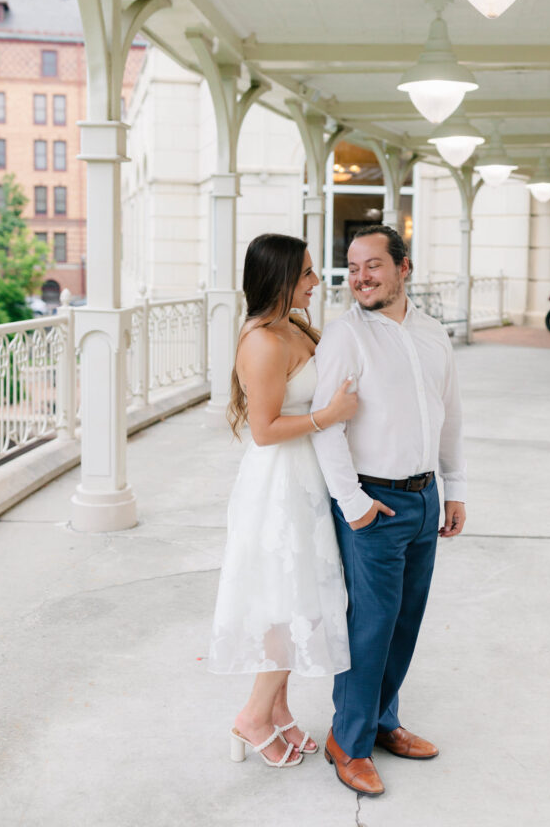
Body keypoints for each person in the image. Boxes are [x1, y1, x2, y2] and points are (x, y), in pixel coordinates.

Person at [311, 225, 466, 796]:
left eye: (373, 265)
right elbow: (328, 429)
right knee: (369, 628)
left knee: (405, 622)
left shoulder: (431, 333)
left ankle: (381, 722)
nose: (361, 278)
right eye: (352, 268)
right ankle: (347, 743)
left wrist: (455, 488)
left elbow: (448, 413)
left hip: (425, 499)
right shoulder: (344, 336)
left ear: (405, 268)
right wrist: (353, 504)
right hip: (373, 502)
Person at [209, 233, 358, 769]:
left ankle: (278, 709)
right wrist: (330, 415)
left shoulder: (290, 325)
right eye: (308, 275)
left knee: (295, 599)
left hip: (307, 478)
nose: (317, 283)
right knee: (289, 604)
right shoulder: (262, 341)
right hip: (280, 484)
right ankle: (251, 717)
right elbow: (265, 430)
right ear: (280, 280)